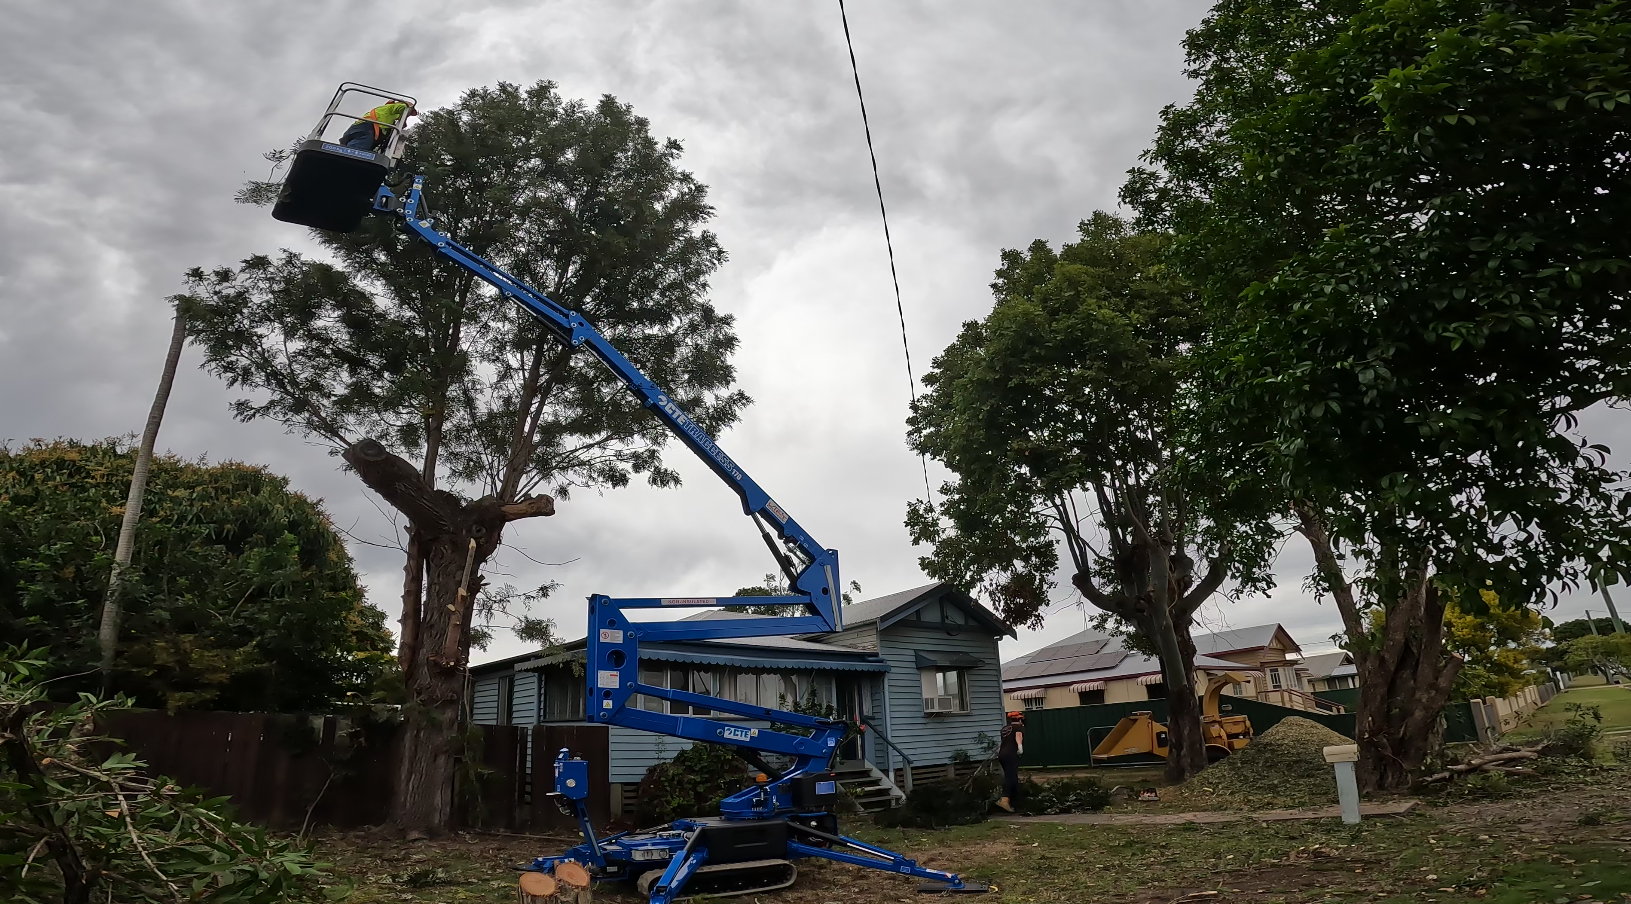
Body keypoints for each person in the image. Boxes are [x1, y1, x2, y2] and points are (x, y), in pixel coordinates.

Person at [340, 99, 413, 152]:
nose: (409, 115)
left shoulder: (387, 117)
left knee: (344, 152)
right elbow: (403, 107)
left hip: (355, 130)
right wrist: (404, 118)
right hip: (366, 131)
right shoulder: (391, 108)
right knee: (354, 155)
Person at [996, 711, 1024, 812]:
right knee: (1011, 777)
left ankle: (1016, 802)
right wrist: (1020, 747)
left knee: (1013, 777)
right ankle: (1004, 799)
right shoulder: (1018, 728)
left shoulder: (1004, 729)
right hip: (1010, 754)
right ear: (1019, 719)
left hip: (1002, 755)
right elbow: (1018, 737)